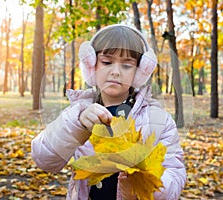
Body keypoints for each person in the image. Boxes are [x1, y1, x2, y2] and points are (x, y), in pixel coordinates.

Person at [31, 24, 186, 200]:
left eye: (127, 65)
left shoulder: (158, 119)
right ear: (91, 66)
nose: (115, 72)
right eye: (106, 62)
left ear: (140, 72)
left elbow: (175, 175)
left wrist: (146, 180)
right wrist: (77, 125)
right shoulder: (78, 114)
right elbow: (44, 159)